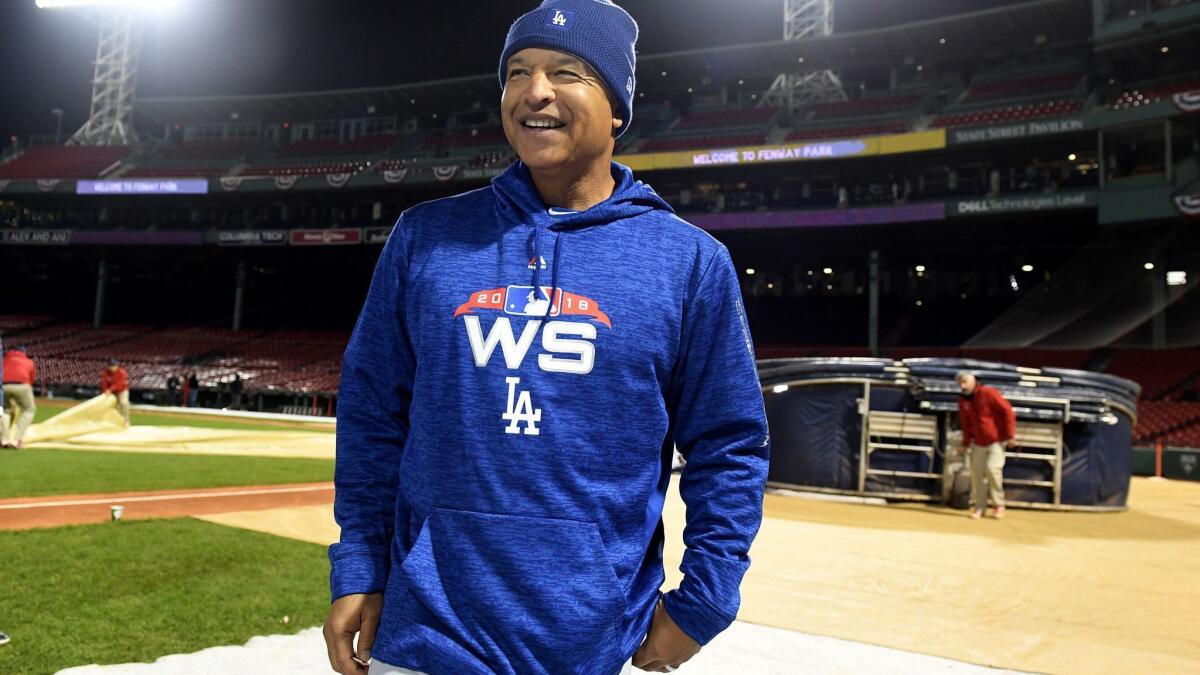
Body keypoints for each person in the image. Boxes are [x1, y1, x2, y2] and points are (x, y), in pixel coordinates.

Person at [322, 3, 771, 674]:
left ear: (617, 104)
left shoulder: (689, 263)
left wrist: (702, 603)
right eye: (517, 72)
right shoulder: (426, 237)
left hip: (595, 644)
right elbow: (370, 414)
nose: (535, 92)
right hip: (425, 635)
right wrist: (359, 562)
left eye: (567, 72)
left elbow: (730, 446)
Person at [956, 371, 1016, 520]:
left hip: (995, 441)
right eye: (960, 383)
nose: (963, 386)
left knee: (993, 470)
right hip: (977, 443)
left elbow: (1008, 411)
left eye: (965, 382)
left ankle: (998, 505)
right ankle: (979, 507)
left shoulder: (988, 393)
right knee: (976, 475)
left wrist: (1010, 436)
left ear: (973, 381)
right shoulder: (963, 401)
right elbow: (965, 424)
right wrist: (965, 443)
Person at [2, 344, 37, 449]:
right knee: (29, 410)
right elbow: (31, 380)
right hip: (22, 385)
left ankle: (3, 440)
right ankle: (16, 440)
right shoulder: (29, 362)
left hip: (3, 385)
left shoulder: (3, 360)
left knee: (4, 410)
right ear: (23, 352)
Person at [100, 358, 130, 427]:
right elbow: (103, 384)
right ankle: (112, 421)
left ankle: (126, 421)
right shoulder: (106, 373)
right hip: (111, 391)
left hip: (122, 390)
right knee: (112, 406)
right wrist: (105, 391)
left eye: (113, 365)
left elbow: (118, 384)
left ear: (117, 365)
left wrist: (109, 390)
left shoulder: (121, 372)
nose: (111, 367)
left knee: (123, 403)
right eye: (110, 365)